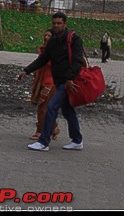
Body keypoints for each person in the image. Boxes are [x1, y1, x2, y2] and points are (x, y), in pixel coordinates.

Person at [17, 12, 84, 151]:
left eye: (59, 23)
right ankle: (77, 140)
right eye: (54, 23)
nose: (56, 26)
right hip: (59, 81)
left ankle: (43, 141)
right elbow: (43, 58)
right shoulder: (53, 40)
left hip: (68, 82)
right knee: (68, 111)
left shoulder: (74, 39)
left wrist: (69, 78)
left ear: (65, 24)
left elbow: (77, 62)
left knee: (51, 107)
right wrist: (26, 70)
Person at [29, 29, 60, 142]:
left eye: (49, 36)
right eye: (45, 35)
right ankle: (54, 127)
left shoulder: (56, 51)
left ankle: (40, 131)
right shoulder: (42, 49)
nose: (46, 37)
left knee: (43, 107)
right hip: (41, 81)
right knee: (44, 108)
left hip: (51, 82)